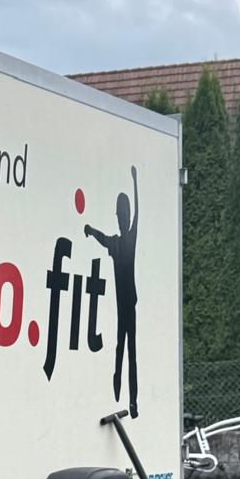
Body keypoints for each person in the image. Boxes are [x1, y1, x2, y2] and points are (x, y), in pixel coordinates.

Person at [84, 165, 140, 419]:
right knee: (122, 348)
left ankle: (132, 401)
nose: (123, 218)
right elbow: (102, 237)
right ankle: (117, 389)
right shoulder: (117, 243)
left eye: (124, 214)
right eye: (121, 214)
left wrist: (135, 181)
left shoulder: (129, 238)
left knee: (129, 351)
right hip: (123, 305)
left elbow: (139, 213)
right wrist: (90, 230)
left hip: (129, 304)